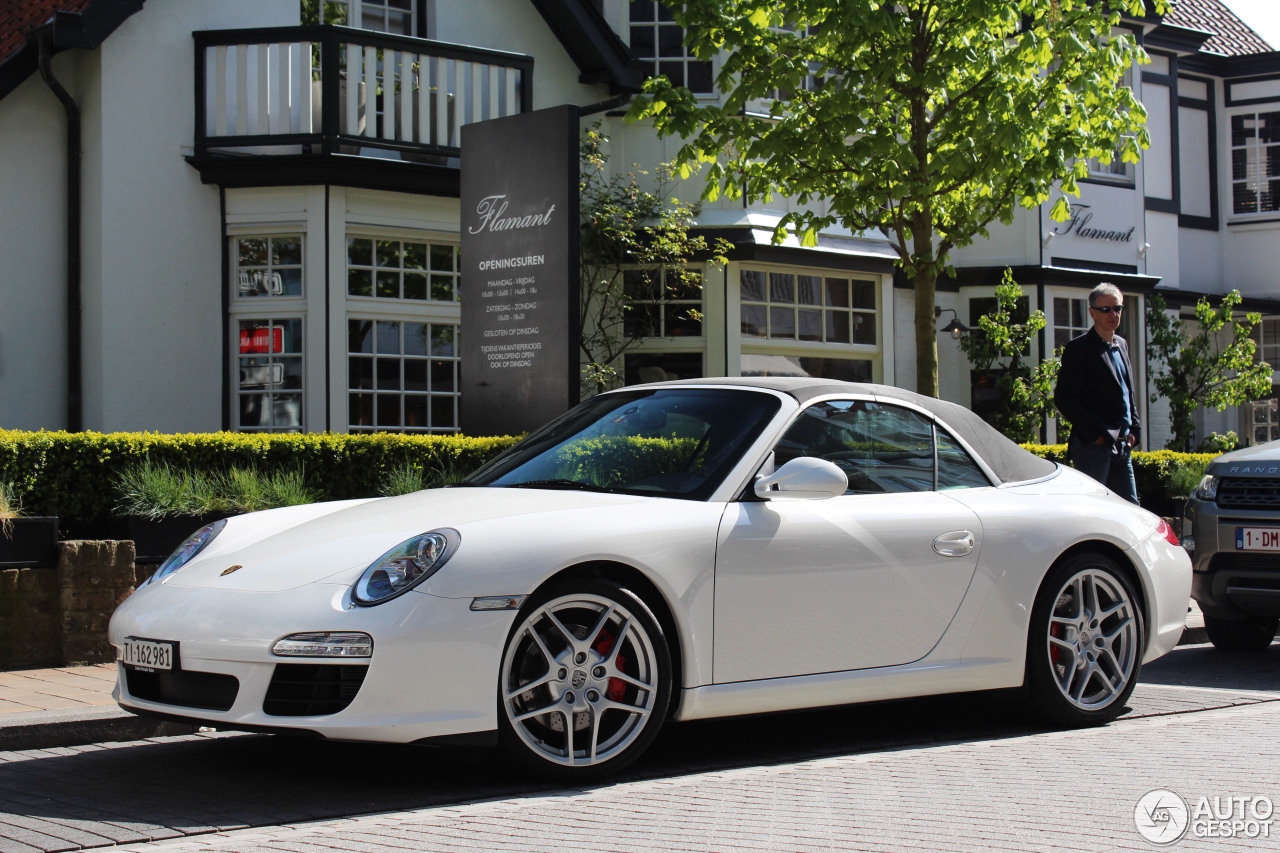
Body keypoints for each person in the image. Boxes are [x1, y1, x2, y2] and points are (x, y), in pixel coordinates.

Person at [1054, 282, 1142, 505]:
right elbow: (1064, 398)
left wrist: (1135, 429)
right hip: (1092, 447)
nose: (1113, 314)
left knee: (1131, 509)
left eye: (1118, 308)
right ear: (1092, 312)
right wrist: (1096, 434)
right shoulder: (1079, 348)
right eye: (1106, 309)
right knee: (1093, 508)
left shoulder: (1121, 345)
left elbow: (1126, 391)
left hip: (1123, 445)